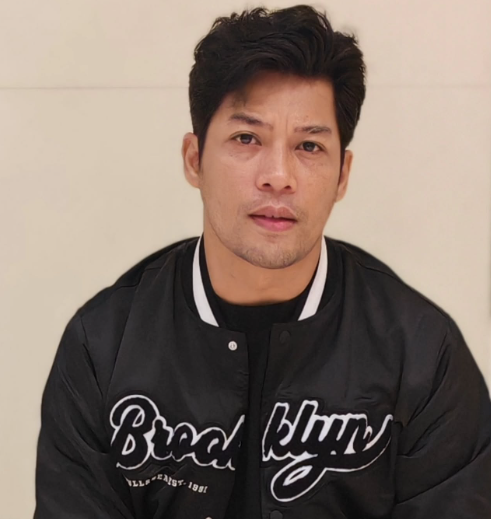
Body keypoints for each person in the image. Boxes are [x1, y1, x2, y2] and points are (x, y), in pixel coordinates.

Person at [34, 5, 491, 519]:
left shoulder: (422, 354)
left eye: (309, 146)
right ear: (194, 160)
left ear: (342, 176)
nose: (278, 175)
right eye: (247, 138)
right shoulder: (103, 346)